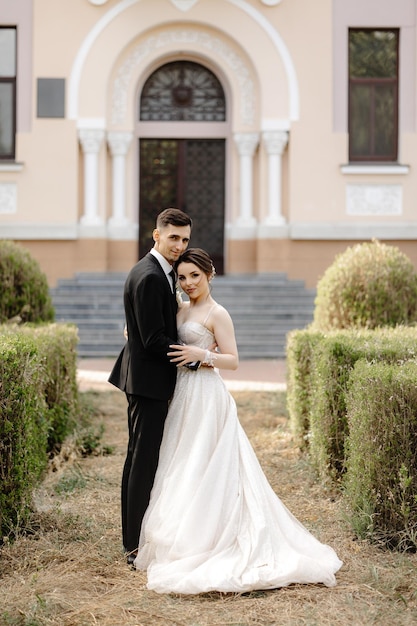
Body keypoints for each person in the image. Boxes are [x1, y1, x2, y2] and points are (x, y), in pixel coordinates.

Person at [133, 248, 343, 594]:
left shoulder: (219, 313)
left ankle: (218, 535)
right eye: (182, 278)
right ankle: (183, 534)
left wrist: (203, 355)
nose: (188, 284)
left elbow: (233, 361)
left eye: (195, 276)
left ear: (209, 275)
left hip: (207, 394)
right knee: (183, 461)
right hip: (183, 394)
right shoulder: (181, 309)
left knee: (210, 461)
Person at [108, 208, 192, 565]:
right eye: (173, 237)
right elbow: (155, 339)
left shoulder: (159, 273)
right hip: (148, 382)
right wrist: (196, 356)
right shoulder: (150, 277)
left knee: (139, 458)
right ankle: (133, 546)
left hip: (145, 379)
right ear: (156, 235)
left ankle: (135, 538)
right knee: (142, 461)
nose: (180, 245)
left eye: (185, 239)